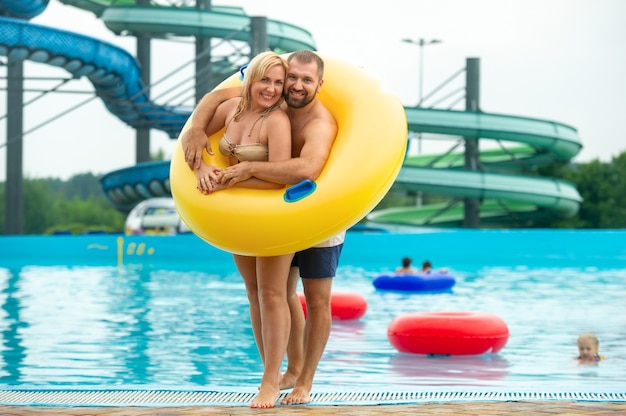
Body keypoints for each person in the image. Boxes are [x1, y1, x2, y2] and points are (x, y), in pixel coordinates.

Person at [181, 50, 341, 406]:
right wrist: (194, 132)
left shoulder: (315, 122)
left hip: (321, 206)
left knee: (315, 299)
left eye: (304, 80)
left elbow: (306, 170)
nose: (294, 86)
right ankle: (290, 369)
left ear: (319, 84)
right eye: (291, 78)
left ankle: (304, 381)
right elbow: (214, 98)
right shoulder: (266, 100)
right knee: (274, 293)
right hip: (264, 210)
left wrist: (247, 171)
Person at [189, 51, 292, 409]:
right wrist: (202, 166)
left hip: (273, 213)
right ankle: (270, 372)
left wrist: (231, 183)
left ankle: (270, 382)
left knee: (273, 294)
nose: (272, 89)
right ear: (251, 79)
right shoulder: (231, 110)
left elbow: (278, 180)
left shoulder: (277, 121)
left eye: (279, 83)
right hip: (238, 215)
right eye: (266, 80)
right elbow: (195, 135)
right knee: (253, 293)